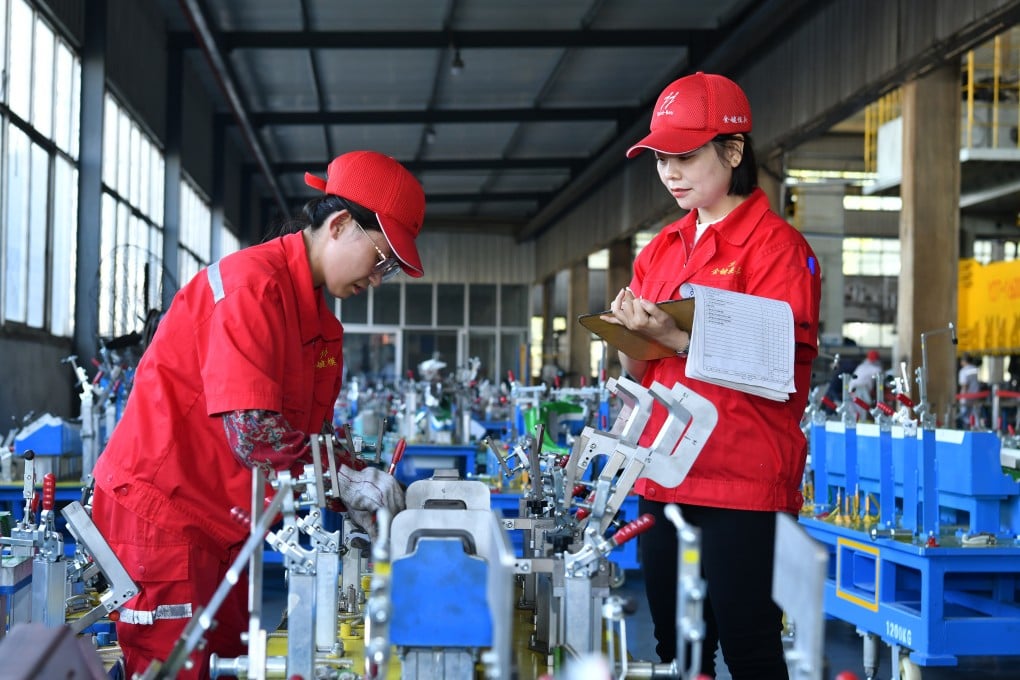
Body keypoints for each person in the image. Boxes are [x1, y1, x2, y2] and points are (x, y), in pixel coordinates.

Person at [90, 150, 424, 679]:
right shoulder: (253, 286)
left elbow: (304, 437)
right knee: (177, 668)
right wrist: (344, 481)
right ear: (339, 225)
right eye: (381, 260)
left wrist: (354, 472)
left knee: (226, 663)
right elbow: (254, 434)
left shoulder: (316, 323)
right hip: (164, 518)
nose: (379, 279)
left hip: (227, 524)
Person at [604, 72, 821, 679]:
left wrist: (674, 336)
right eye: (660, 160)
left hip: (742, 480)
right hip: (666, 474)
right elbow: (639, 368)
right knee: (677, 646)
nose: (670, 173)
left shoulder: (777, 249)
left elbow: (778, 366)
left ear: (732, 151)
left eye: (685, 157)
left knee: (749, 641)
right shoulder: (659, 251)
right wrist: (630, 338)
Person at [847, 350, 884, 419]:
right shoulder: (876, 368)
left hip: (850, 389)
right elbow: (882, 379)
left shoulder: (862, 365)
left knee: (853, 413)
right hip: (860, 389)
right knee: (862, 411)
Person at [957, 353, 982, 427]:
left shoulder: (963, 371)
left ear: (964, 361)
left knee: (964, 414)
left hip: (967, 396)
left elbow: (965, 385)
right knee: (975, 413)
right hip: (976, 395)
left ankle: (967, 426)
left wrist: (962, 397)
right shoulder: (975, 368)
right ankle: (976, 427)